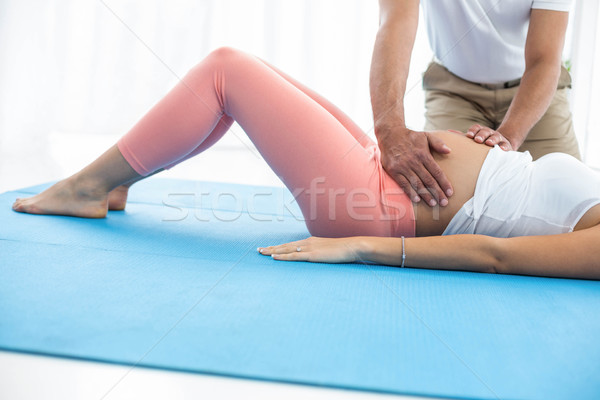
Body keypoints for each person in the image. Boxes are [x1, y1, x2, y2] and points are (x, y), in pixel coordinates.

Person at [11, 47, 600, 279]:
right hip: (390, 177)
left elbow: (497, 255)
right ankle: (118, 181)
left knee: (227, 73)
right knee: (255, 75)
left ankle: (85, 187)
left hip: (381, 210)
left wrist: (360, 247)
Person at [371, 0, 580, 209]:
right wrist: (390, 131)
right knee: (438, 200)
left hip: (534, 91)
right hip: (454, 91)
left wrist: (509, 135)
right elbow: (394, 27)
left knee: (574, 202)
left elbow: (543, 60)